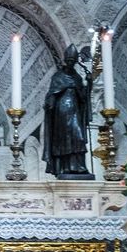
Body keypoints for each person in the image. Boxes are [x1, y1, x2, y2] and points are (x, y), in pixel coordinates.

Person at [44, 44, 93, 178]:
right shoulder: (58, 76)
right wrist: (50, 103)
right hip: (61, 111)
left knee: (78, 136)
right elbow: (52, 93)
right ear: (65, 60)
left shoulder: (77, 77)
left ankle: (79, 167)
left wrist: (89, 84)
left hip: (75, 109)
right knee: (64, 139)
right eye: (69, 60)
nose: (71, 63)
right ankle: (65, 167)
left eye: (73, 61)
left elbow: (83, 97)